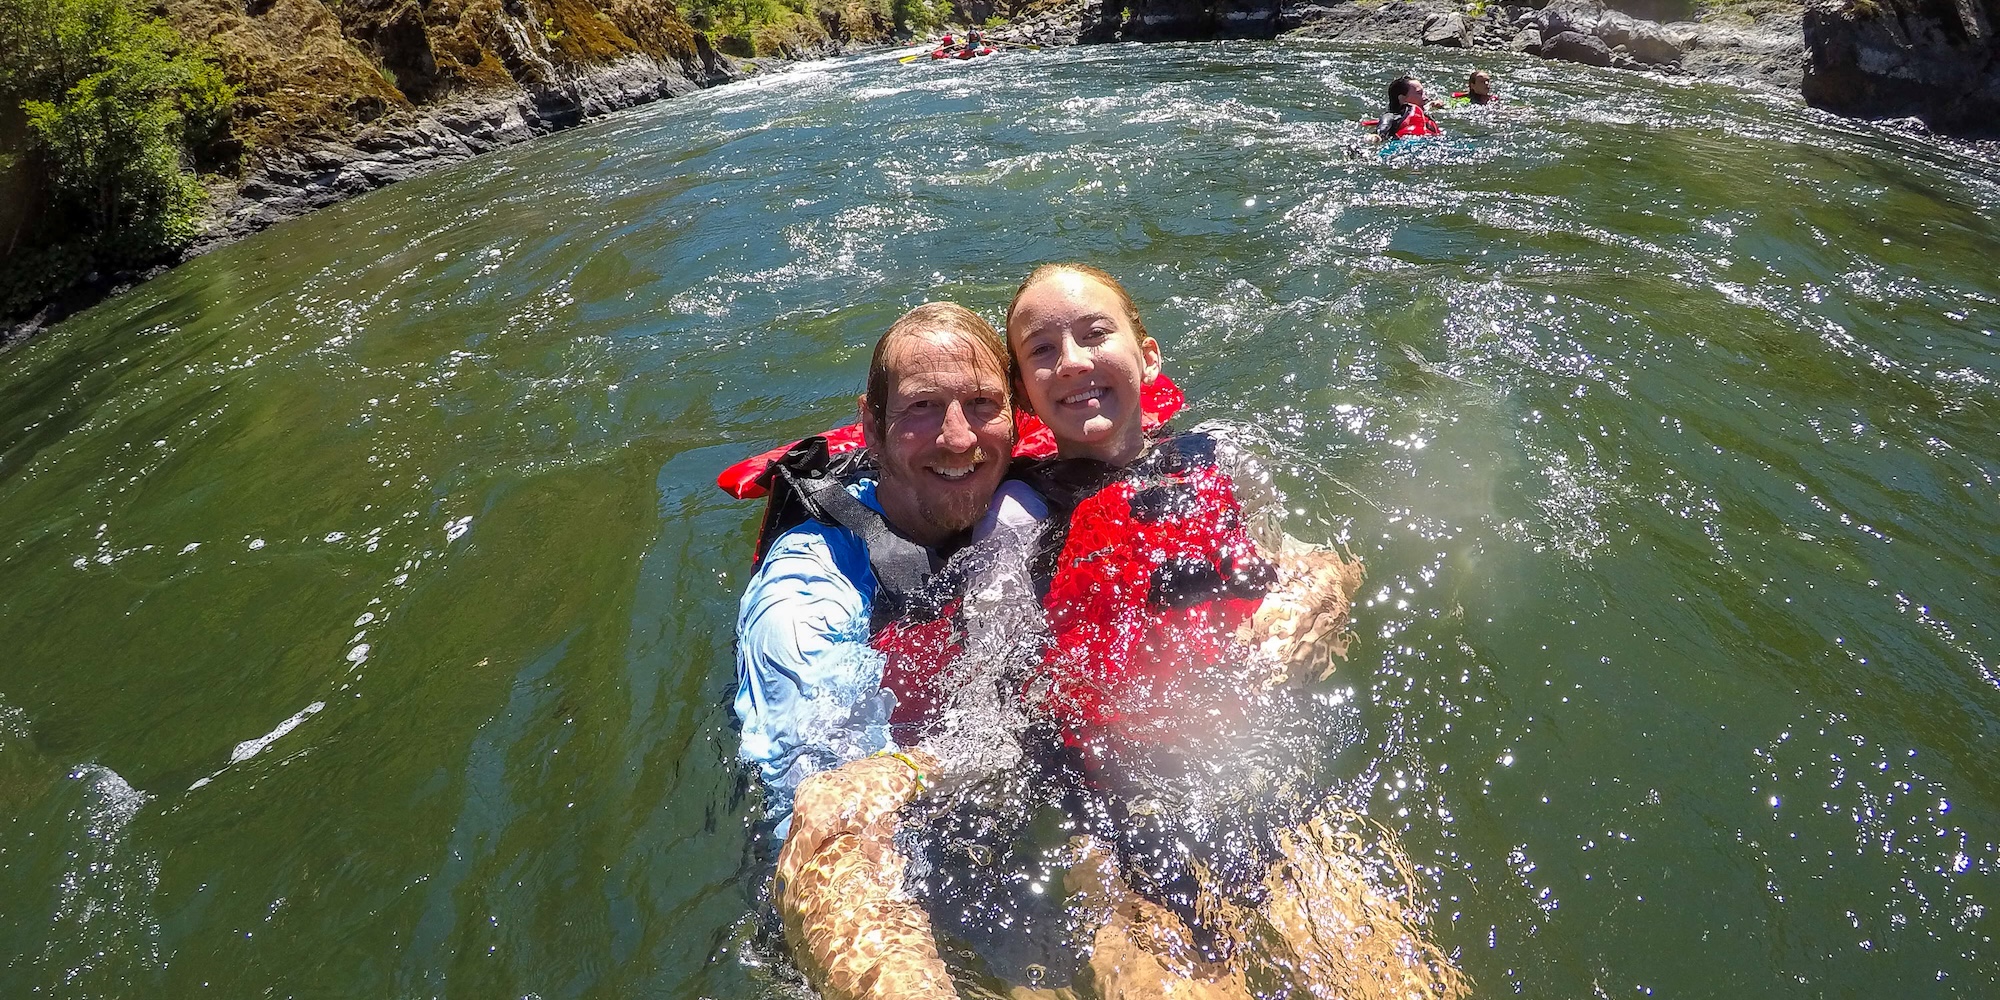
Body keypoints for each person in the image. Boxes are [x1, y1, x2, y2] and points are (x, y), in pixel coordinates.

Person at [999, 264, 1466, 999]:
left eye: (1094, 334)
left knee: (1400, 981)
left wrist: (1314, 604)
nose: (1075, 362)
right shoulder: (1017, 518)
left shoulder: (1219, 462)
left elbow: (1313, 564)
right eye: (1043, 351)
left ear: (1147, 358)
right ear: (1024, 391)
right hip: (1108, 813)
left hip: (1255, 780)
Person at [738, 302, 1042, 1000]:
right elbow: (828, 819)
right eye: (923, 408)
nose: (958, 438)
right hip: (875, 888)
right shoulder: (808, 586)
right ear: (871, 426)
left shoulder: (1036, 507)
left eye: (982, 403)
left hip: (1020, 836)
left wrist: (1313, 582)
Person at [1373, 76, 1445, 142]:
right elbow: (1381, 130)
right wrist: (1375, 137)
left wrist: (1432, 104)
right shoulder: (1391, 117)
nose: (1425, 98)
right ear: (1402, 98)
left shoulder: (1424, 114)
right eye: (1419, 93)